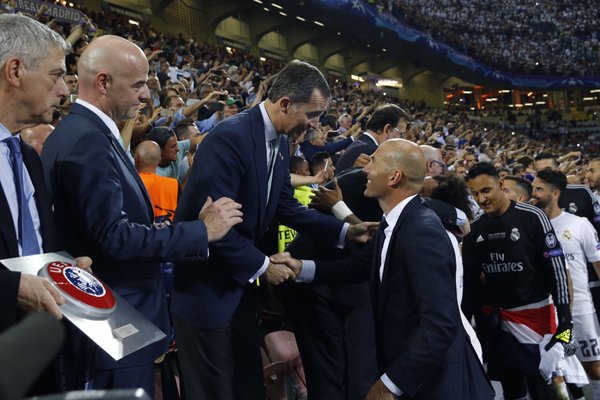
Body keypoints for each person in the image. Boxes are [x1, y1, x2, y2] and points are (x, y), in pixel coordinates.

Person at [41, 35, 243, 397]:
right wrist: (200, 231)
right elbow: (114, 237)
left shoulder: (83, 133)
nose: (146, 95)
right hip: (113, 318)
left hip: (112, 317)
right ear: (103, 83)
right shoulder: (87, 139)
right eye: (137, 85)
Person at [172, 60, 375, 400]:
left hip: (239, 288)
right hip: (206, 289)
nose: (315, 124)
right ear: (285, 104)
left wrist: (345, 232)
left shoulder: (279, 142)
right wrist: (264, 266)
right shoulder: (230, 137)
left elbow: (286, 206)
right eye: (313, 114)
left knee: (247, 387)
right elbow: (214, 226)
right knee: (214, 391)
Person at [272, 139, 494, 399]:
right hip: (415, 371)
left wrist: (391, 383)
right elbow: (357, 267)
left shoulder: (421, 231)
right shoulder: (394, 223)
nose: (365, 168)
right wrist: (301, 268)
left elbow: (440, 324)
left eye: (374, 162)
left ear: (394, 177)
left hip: (437, 382)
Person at [463, 162, 573, 400]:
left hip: (537, 320)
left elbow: (556, 269)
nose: (481, 199)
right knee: (511, 391)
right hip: (499, 324)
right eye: (475, 193)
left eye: (486, 190)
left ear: (501, 184)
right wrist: (467, 326)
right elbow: (471, 285)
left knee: (544, 390)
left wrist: (565, 319)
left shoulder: (532, 217)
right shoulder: (475, 229)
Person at [531, 169, 600, 399]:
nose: (533, 194)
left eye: (539, 189)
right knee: (556, 372)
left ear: (555, 194)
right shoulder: (530, 225)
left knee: (594, 367)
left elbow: (598, 265)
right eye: (533, 188)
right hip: (546, 312)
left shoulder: (580, 224)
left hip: (580, 309)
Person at [335, 104, 408, 173]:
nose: (401, 140)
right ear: (387, 129)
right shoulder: (373, 152)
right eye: (401, 134)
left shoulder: (362, 143)